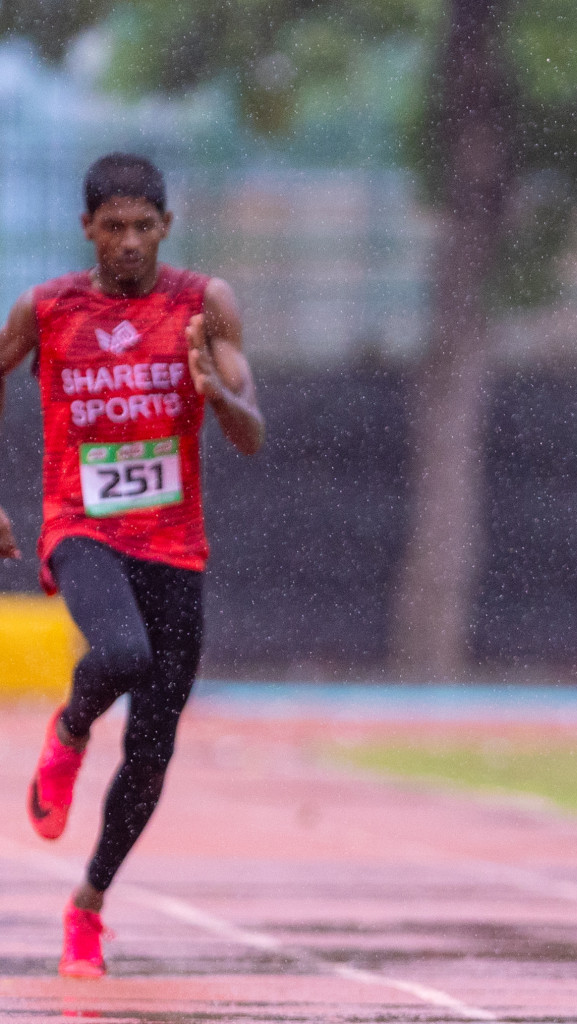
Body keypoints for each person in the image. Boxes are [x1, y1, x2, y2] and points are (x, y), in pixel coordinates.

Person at [0, 153, 264, 978]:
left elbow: (252, 431)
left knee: (152, 751)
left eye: (141, 227)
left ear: (165, 229)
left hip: (176, 546)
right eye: (111, 227)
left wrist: (212, 391)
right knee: (119, 654)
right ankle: (70, 731)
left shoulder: (203, 304)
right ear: (87, 229)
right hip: (81, 527)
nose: (126, 243)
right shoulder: (45, 309)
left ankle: (88, 906)